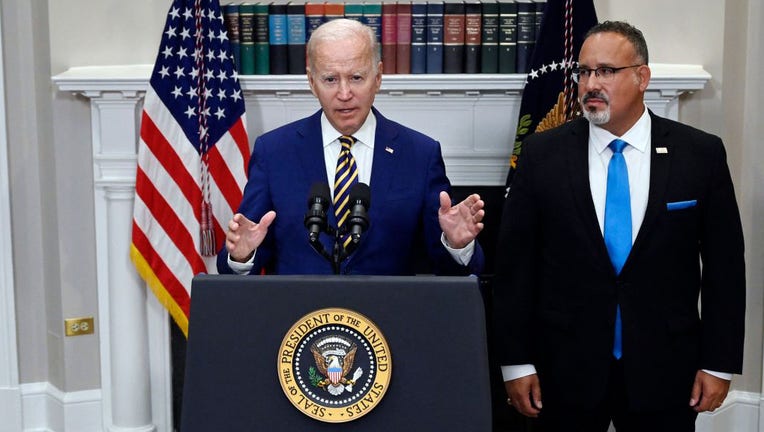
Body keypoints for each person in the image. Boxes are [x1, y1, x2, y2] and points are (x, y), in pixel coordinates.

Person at [492, 21, 745, 432]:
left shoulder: (700, 154)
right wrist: (516, 362)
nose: (591, 83)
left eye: (606, 71)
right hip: (563, 368)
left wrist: (719, 362)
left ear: (642, 77)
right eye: (584, 71)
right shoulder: (542, 154)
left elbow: (726, 269)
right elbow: (515, 268)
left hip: (666, 368)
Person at [217, 18, 485, 276]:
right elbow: (242, 254)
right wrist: (241, 255)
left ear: (378, 78)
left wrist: (457, 245)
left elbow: (449, 269)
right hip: (300, 318)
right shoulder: (274, 152)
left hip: (386, 318)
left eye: (356, 77)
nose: (344, 94)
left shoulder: (420, 154)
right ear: (312, 82)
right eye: (330, 79)